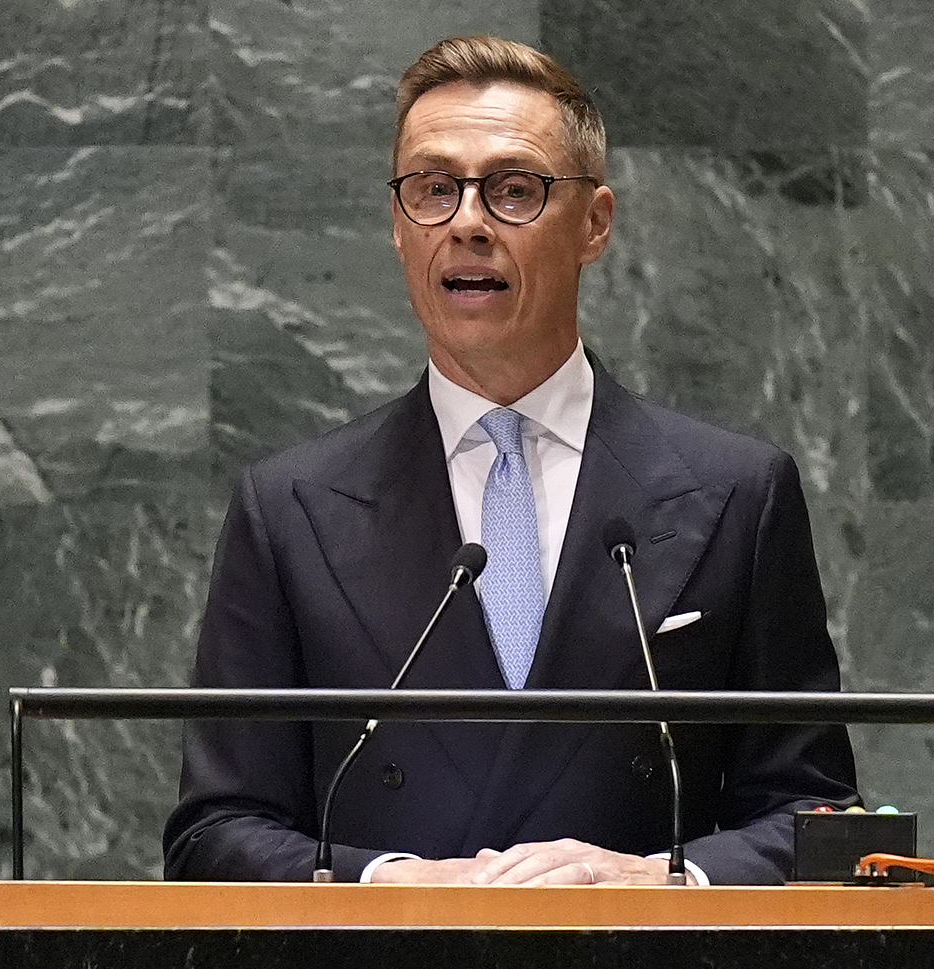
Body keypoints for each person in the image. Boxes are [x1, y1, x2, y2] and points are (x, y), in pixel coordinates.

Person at [163, 35, 858, 886]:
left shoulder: (737, 494)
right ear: (397, 224)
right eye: (432, 189)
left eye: (513, 190)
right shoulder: (290, 508)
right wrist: (397, 881)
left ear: (595, 223)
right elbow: (214, 830)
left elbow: (816, 816)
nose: (467, 222)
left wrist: (659, 880)